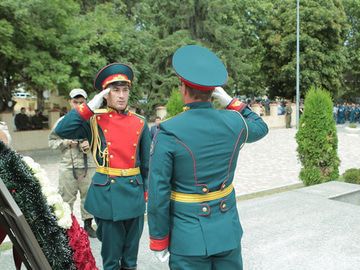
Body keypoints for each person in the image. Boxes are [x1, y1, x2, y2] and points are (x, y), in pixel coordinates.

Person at [147, 45, 268, 269]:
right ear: (214, 91)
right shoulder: (234, 122)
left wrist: (158, 239)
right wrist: (231, 101)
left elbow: (158, 191)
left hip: (188, 237)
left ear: (182, 88)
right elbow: (261, 127)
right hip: (227, 231)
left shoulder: (168, 131)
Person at [54, 63, 151, 270]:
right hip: (108, 196)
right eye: (115, 90)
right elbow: (62, 130)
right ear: (106, 94)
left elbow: (147, 166)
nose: (122, 95)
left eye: (125, 90)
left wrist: (146, 193)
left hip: (133, 195)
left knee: (130, 260)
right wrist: (89, 106)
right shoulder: (93, 120)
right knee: (111, 260)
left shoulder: (140, 122)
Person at [49, 88, 97, 238]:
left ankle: (88, 225)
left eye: (81, 102)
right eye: (75, 102)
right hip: (68, 165)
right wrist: (65, 142)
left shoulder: (92, 120)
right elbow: (52, 141)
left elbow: (102, 141)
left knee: (89, 196)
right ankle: (67, 229)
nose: (78, 105)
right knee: (65, 198)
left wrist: (90, 143)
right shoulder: (63, 122)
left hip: (89, 165)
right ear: (70, 102)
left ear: (86, 103)